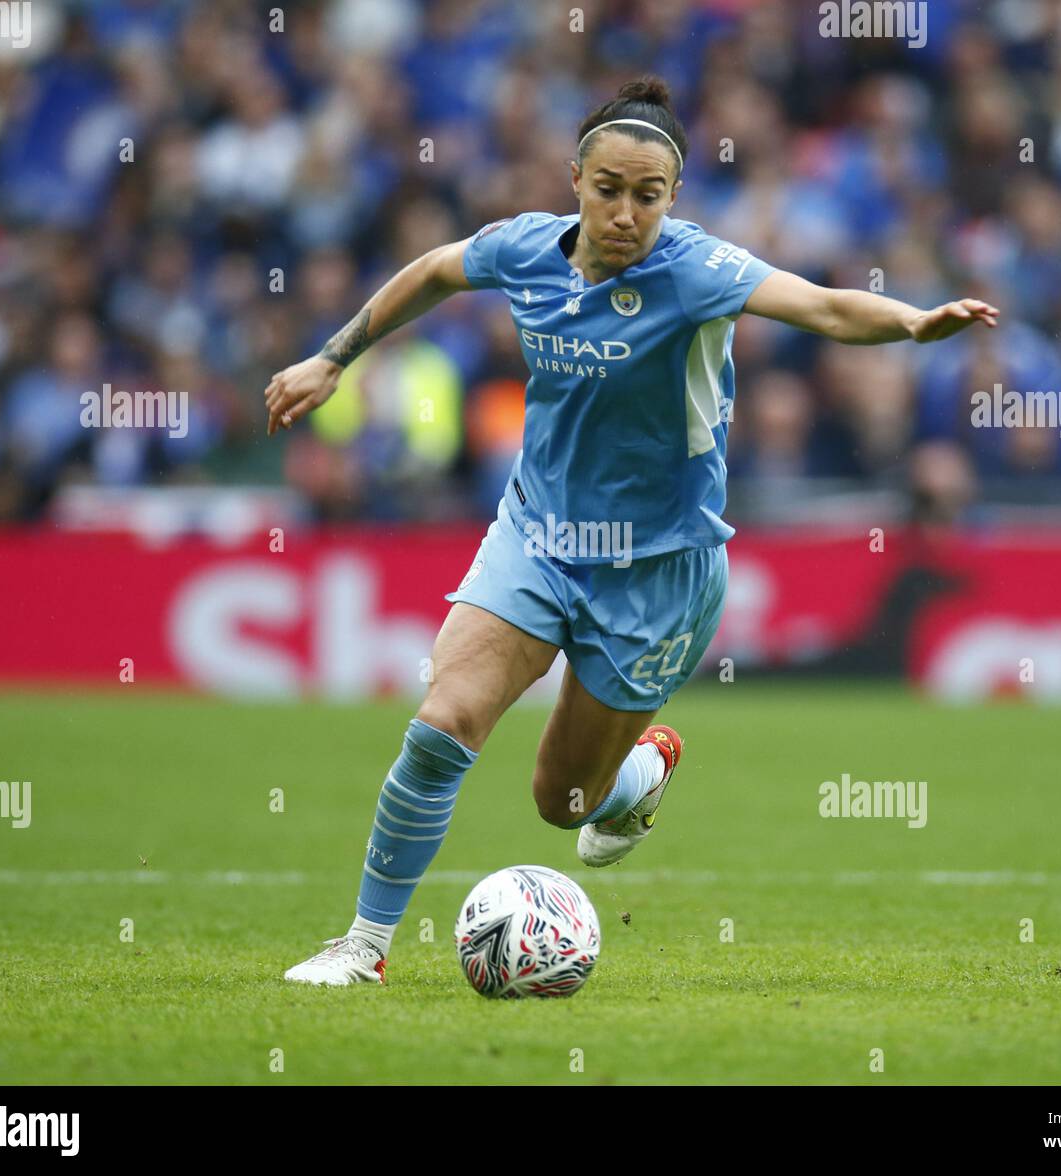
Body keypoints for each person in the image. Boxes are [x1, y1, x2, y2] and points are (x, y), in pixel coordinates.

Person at [266, 76, 998, 986]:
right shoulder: (525, 249)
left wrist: (912, 321)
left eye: (647, 197)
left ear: (673, 198)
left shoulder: (696, 270)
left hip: (659, 570)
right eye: (608, 189)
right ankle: (363, 949)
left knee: (560, 802)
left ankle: (633, 783)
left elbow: (822, 304)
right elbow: (433, 270)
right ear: (574, 178)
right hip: (536, 535)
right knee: (442, 724)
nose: (625, 214)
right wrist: (332, 359)